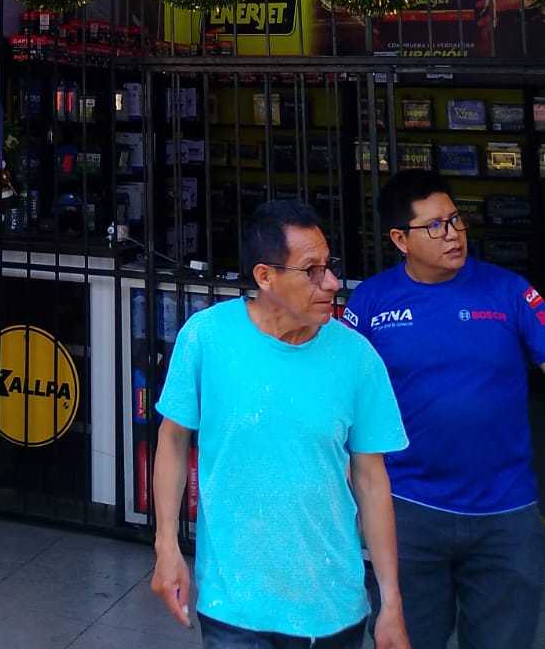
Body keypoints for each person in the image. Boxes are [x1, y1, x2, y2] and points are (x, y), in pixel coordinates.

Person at [151, 200, 410, 648]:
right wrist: (166, 545)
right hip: (234, 607)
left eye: (329, 267)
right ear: (265, 277)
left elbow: (371, 480)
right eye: (311, 271)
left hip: (333, 608)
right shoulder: (206, 337)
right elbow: (172, 442)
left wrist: (391, 602)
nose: (331, 283)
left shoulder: (358, 358)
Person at [346, 169, 545, 649]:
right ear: (400, 239)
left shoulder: (510, 292)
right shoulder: (371, 302)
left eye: (456, 220)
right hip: (407, 507)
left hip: (506, 511)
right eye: (434, 226)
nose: (453, 234)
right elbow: (339, 397)